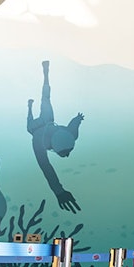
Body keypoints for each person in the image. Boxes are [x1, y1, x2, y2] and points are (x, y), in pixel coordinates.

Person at [27, 60, 84, 212]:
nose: (67, 156)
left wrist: (78, 119)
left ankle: (30, 105)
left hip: (46, 122)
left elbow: (73, 126)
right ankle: (29, 107)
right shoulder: (38, 142)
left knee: (45, 98)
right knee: (34, 115)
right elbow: (46, 168)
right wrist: (58, 191)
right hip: (38, 127)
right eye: (65, 153)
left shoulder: (71, 135)